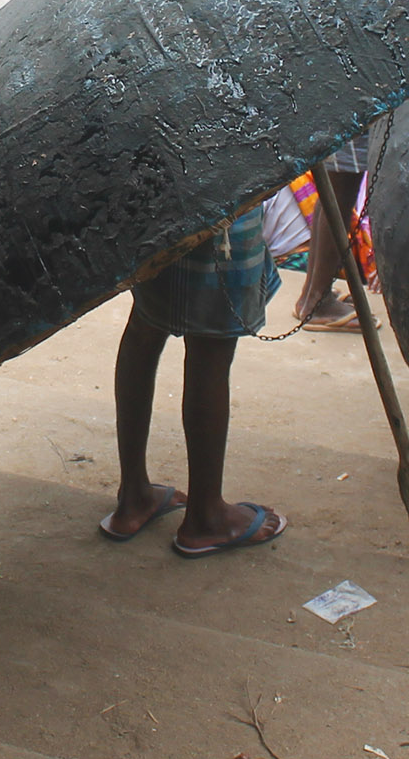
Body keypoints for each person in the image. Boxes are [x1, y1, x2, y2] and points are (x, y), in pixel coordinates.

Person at [99, 201, 288, 557]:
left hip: (159, 197)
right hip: (223, 198)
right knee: (211, 347)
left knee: (144, 326)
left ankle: (134, 494)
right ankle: (206, 516)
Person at [294, 129, 373, 332]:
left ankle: (312, 294)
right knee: (342, 189)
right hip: (353, 108)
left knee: (333, 189)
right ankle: (318, 302)